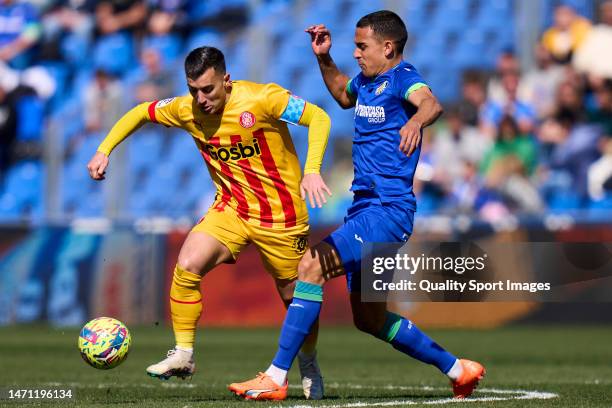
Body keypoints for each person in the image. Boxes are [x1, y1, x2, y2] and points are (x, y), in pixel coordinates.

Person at [229, 10, 485, 401]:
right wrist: (323, 57)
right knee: (370, 319)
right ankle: (458, 369)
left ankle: (276, 376)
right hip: (365, 209)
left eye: (362, 46)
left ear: (388, 47)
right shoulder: (365, 83)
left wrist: (416, 122)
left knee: (310, 267)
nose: (357, 53)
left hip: (387, 211)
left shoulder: (402, 78)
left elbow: (430, 103)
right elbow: (341, 95)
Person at [87, 46, 332, 400]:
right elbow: (142, 111)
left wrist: (311, 170)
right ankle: (183, 354)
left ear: (226, 80)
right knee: (187, 264)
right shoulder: (186, 109)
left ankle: (308, 363)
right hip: (230, 209)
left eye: (208, 90)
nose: (201, 99)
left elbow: (319, 118)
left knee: (294, 297)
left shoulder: (264, 99)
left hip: (281, 215)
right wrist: (104, 149)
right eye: (193, 90)